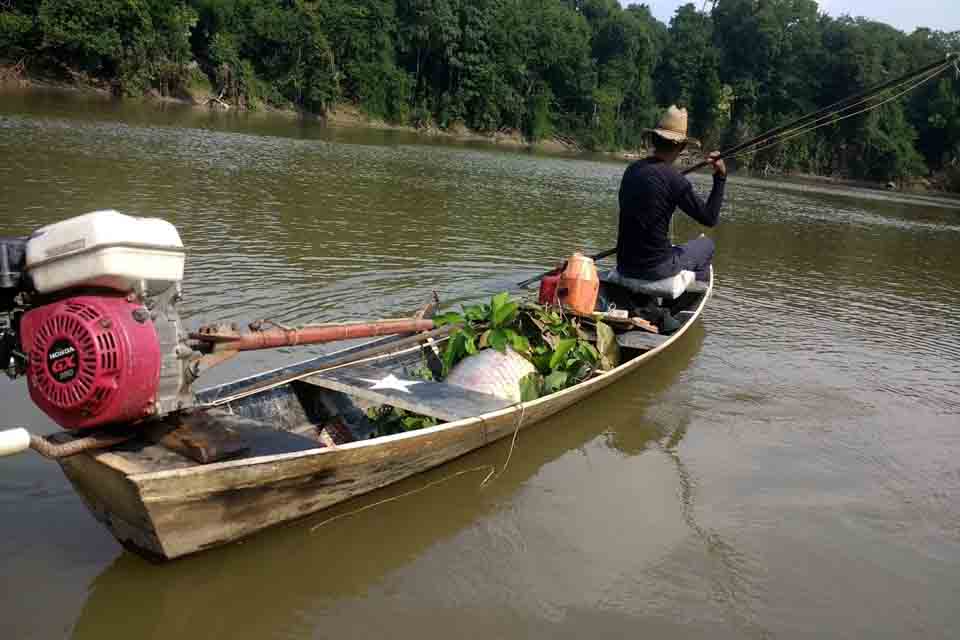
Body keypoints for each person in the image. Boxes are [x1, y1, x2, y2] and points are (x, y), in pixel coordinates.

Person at [616, 105, 726, 283]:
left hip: (624, 265)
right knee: (706, 245)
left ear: (654, 140)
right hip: (655, 269)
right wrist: (720, 177)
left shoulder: (632, 169)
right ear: (681, 146)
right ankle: (692, 285)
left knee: (676, 248)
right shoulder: (674, 178)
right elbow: (709, 218)